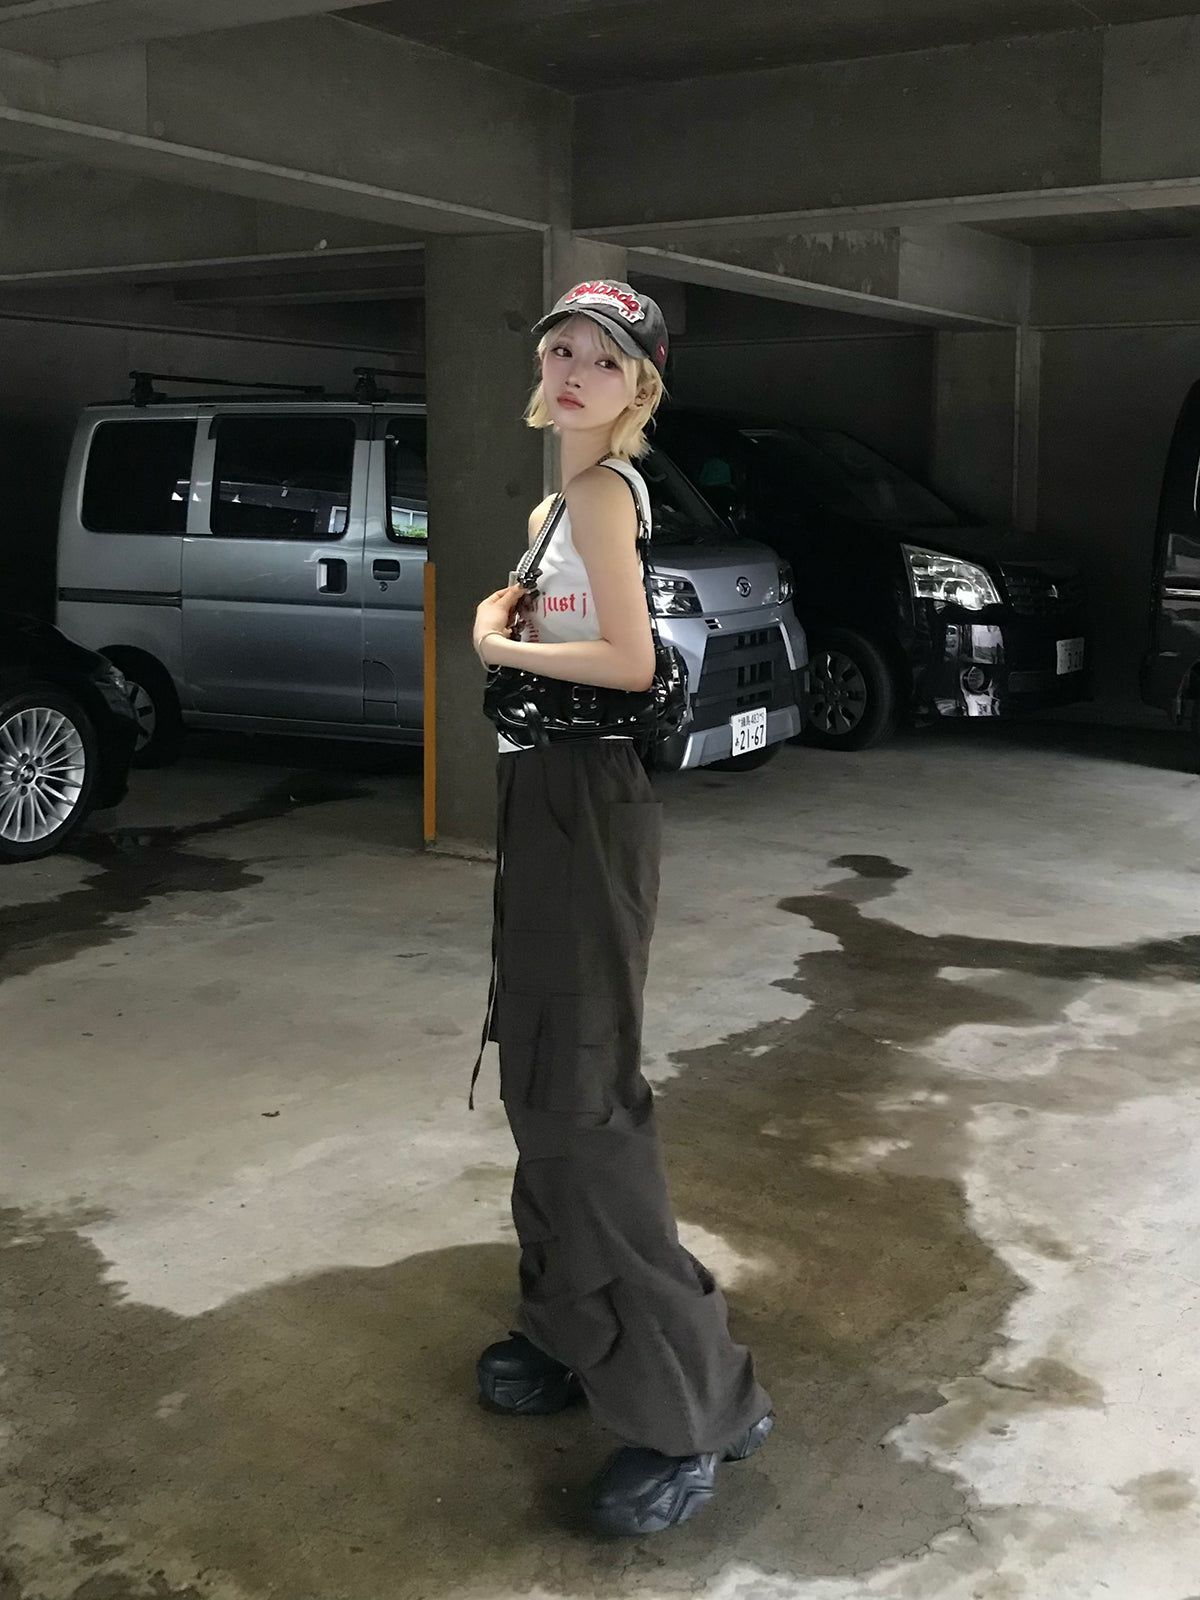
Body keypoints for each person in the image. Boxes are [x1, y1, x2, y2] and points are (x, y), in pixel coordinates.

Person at [470, 280, 772, 1537]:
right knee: (542, 1074)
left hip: (585, 800)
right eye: (559, 347)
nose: (573, 369)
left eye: (604, 357)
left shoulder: (600, 494)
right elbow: (558, 623)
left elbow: (632, 663)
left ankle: (696, 1404)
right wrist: (508, 622)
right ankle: (568, 1324)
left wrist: (498, 646)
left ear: (637, 385)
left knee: (583, 1089)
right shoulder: (553, 507)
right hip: (544, 799)